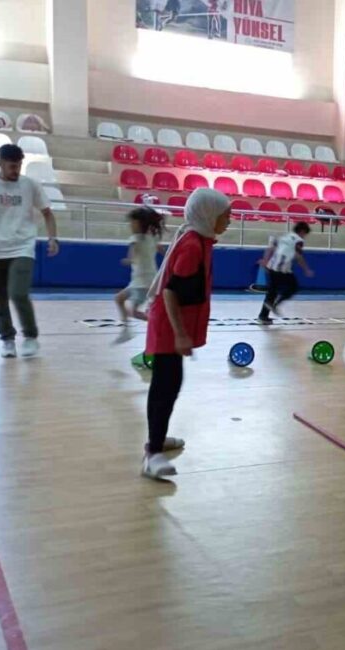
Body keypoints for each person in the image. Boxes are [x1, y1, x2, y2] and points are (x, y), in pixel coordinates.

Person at [142, 189, 232, 480]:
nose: (229, 220)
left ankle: (158, 437)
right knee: (164, 387)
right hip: (169, 325)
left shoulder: (201, 241)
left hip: (172, 323)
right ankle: (152, 454)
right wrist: (180, 335)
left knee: (170, 384)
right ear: (208, 215)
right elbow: (170, 293)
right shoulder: (193, 246)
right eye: (225, 215)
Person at [0, 144, 59, 359]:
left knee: (18, 293)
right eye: (12, 166)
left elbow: (48, 213)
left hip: (22, 247)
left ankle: (31, 336)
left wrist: (52, 238)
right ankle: (7, 340)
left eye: (19, 166)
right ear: (0, 163)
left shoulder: (30, 185)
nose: (16, 170)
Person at [114, 207, 165, 342]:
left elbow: (134, 250)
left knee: (133, 311)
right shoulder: (152, 237)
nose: (130, 225)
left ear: (139, 223)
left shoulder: (136, 238)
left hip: (141, 283)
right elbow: (161, 249)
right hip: (144, 281)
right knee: (119, 299)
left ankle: (157, 325)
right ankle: (127, 329)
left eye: (132, 222)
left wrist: (129, 259)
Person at [258, 221, 314, 324]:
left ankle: (263, 316)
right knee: (293, 287)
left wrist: (265, 260)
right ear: (302, 231)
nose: (304, 236)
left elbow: (270, 248)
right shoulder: (299, 241)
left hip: (272, 266)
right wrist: (306, 269)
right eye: (305, 234)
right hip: (282, 269)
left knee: (272, 292)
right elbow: (299, 256)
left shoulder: (284, 237)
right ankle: (276, 304)